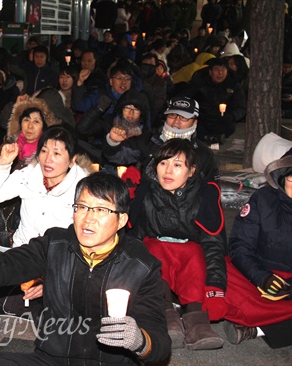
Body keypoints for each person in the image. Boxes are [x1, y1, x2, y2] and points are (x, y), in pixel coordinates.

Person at [0, 172, 171, 365]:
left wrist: (140, 341)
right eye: (82, 207)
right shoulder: (54, 244)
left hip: (109, 362)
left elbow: (160, 345)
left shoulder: (140, 265)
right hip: (54, 359)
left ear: (122, 220)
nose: (88, 218)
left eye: (101, 210)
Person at [129, 139, 227, 350]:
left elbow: (213, 245)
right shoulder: (147, 194)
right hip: (156, 269)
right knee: (153, 248)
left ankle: (196, 321)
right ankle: (165, 316)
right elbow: (133, 238)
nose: (168, 171)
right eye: (163, 163)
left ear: (191, 171)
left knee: (193, 251)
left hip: (189, 267)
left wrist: (215, 287)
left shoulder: (203, 196)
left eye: (177, 165)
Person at [223, 150, 292, 349]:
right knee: (214, 270)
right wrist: (261, 277)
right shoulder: (263, 199)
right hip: (257, 277)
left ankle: (258, 329)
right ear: (283, 177)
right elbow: (239, 245)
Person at [0, 125, 92, 248]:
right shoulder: (29, 175)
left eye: (56, 153)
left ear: (72, 160)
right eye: (44, 151)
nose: (48, 159)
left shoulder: (84, 188)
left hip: (57, 258)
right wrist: (2, 163)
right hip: (22, 251)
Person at [102, 96, 218, 181]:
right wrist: (113, 141)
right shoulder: (148, 141)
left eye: (184, 118)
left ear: (195, 122)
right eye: (172, 115)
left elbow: (210, 189)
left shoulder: (203, 153)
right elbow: (118, 157)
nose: (176, 121)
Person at [187, 57, 247, 143]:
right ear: (210, 72)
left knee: (230, 126)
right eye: (217, 70)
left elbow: (241, 107)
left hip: (223, 119)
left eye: (223, 70)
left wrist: (232, 116)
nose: (220, 73)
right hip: (203, 118)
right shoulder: (199, 83)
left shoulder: (233, 85)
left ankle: (215, 137)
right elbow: (188, 98)